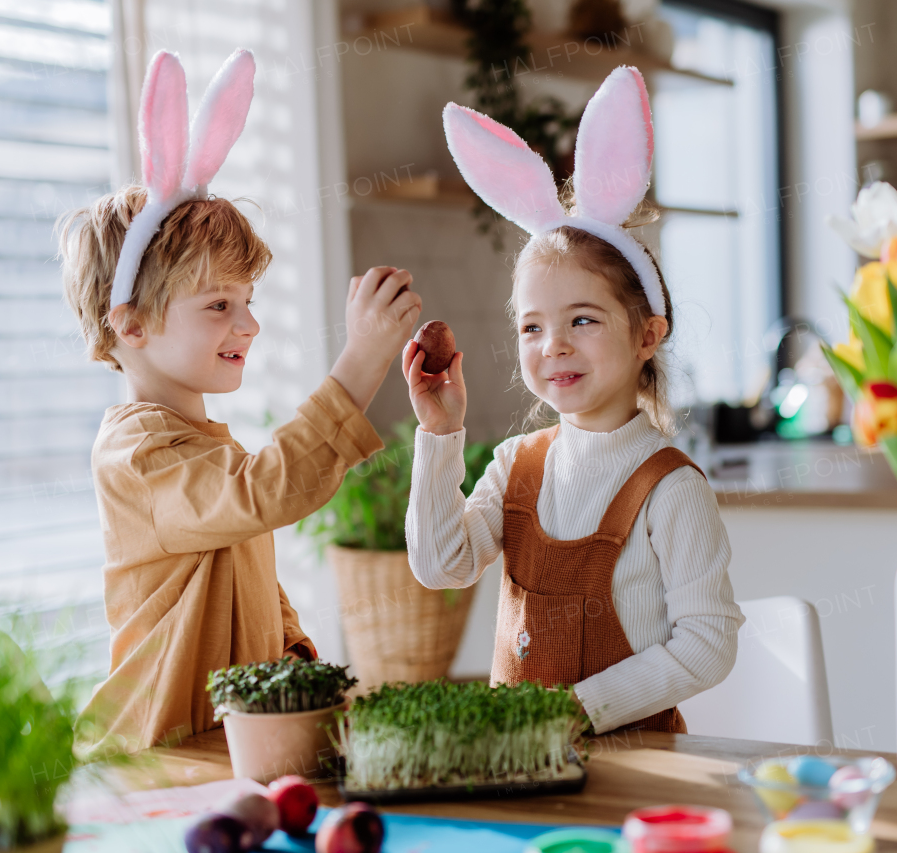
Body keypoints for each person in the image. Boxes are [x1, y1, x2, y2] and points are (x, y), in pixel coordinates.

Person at [58, 49, 420, 754]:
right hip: (162, 751)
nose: (248, 324)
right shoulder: (137, 453)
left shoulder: (200, 442)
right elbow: (261, 495)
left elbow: (248, 577)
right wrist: (363, 360)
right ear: (129, 323)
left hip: (228, 744)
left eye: (247, 301)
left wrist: (298, 665)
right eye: (219, 303)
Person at [403, 67, 743, 735]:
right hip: (522, 771)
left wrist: (572, 712)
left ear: (648, 334)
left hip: (636, 773)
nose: (553, 345)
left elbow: (708, 643)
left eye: (582, 320)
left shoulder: (669, 486)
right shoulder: (515, 466)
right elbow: (441, 564)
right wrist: (441, 434)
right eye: (532, 327)